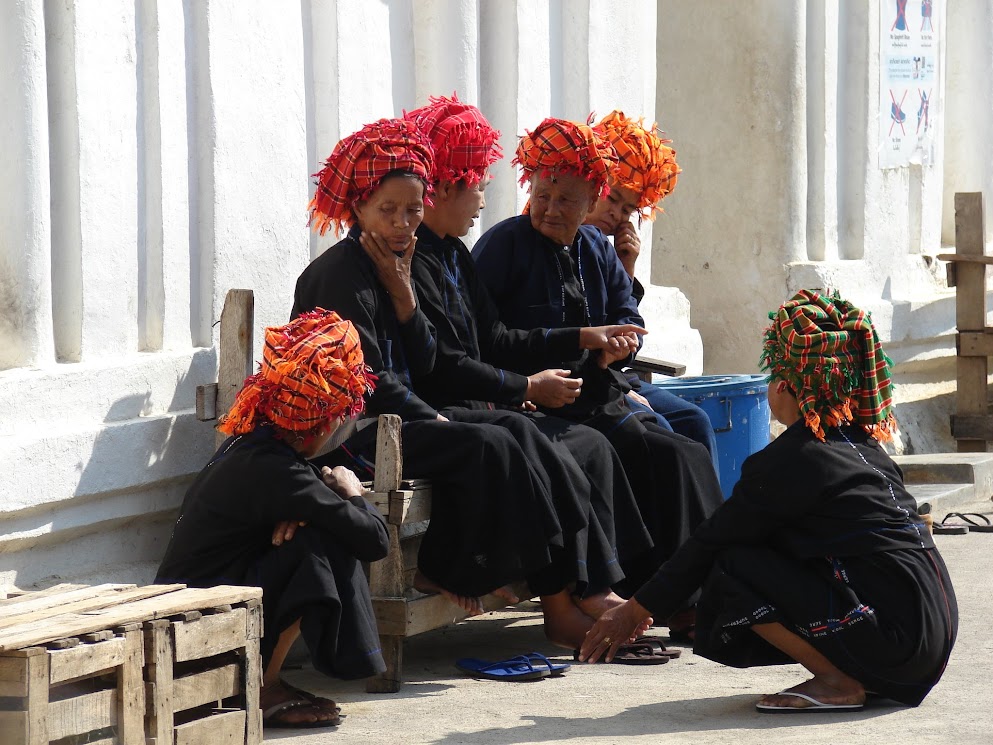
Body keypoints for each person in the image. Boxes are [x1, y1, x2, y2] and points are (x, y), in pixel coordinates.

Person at [292, 117, 652, 649]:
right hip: (360, 435)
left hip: (411, 416)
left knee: (532, 436)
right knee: (500, 438)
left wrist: (406, 303)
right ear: (357, 206)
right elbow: (368, 378)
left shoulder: (405, 262)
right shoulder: (338, 274)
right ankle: (463, 571)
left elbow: (434, 351)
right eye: (388, 211)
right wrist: (432, 413)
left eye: (412, 211)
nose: (403, 223)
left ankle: (579, 590)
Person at [579, 290, 958, 712]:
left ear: (785, 385)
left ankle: (838, 681)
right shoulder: (864, 444)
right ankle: (856, 668)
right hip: (930, 638)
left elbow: (711, 542)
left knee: (732, 566)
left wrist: (634, 610)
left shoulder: (793, 458)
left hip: (898, 646)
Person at [401, 94, 666, 640]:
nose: (483, 202)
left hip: (486, 399)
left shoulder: (451, 253)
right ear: (444, 188)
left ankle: (603, 587)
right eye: (476, 185)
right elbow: (444, 362)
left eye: (563, 198)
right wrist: (524, 387)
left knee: (602, 443)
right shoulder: (428, 258)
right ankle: (561, 599)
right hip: (435, 412)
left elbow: (490, 335)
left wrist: (592, 341)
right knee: (548, 441)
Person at [471, 117, 724, 637]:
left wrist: (621, 342)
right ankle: (659, 594)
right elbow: (487, 338)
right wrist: (578, 343)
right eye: (543, 194)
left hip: (598, 394)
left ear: (589, 206)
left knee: (686, 451)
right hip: (536, 402)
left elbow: (626, 316)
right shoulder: (503, 246)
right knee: (649, 447)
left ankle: (690, 595)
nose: (549, 208)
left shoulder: (595, 248)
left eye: (565, 200)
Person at [155, 309, 389, 729]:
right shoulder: (278, 471)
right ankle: (262, 688)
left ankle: (268, 677)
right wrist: (352, 491)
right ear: (323, 420)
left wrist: (310, 513)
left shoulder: (255, 448)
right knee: (317, 547)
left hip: (205, 597)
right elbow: (374, 540)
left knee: (314, 533)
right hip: (192, 619)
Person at [586, 110, 718, 466]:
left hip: (616, 378)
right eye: (612, 199)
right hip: (587, 385)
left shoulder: (605, 252)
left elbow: (627, 328)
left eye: (627, 209)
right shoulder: (552, 239)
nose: (616, 215)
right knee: (657, 429)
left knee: (695, 420)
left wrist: (626, 267)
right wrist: (621, 389)